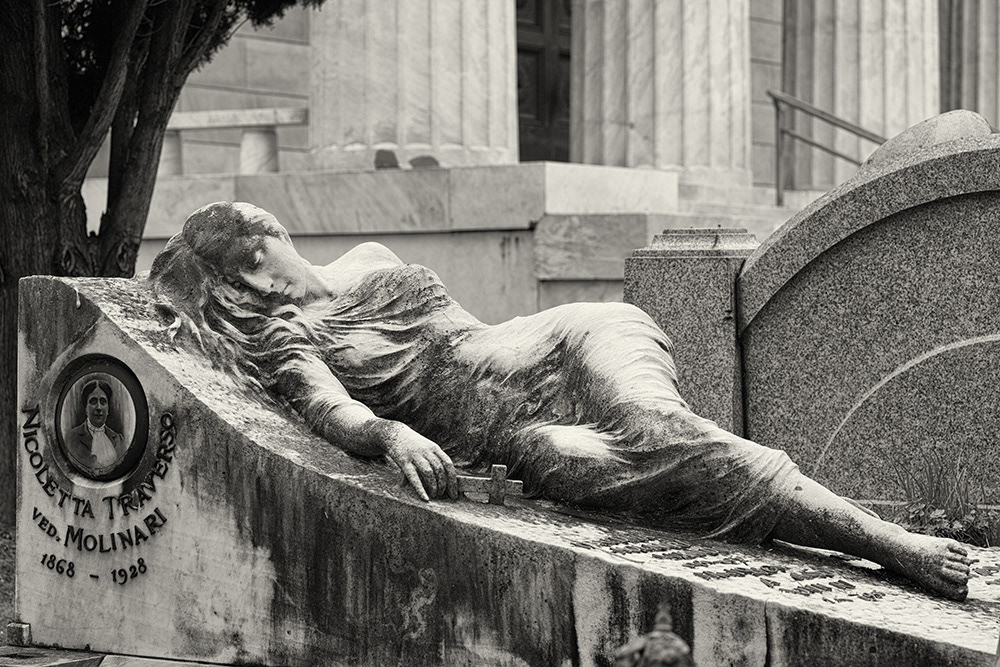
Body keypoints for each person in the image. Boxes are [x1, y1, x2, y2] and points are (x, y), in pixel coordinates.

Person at [149, 201, 975, 600]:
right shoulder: (298, 343)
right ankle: (856, 538)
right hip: (526, 434)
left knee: (667, 432)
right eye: (271, 238)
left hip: (561, 340)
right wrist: (392, 434)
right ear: (254, 271)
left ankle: (887, 543)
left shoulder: (366, 256)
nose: (288, 242)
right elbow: (331, 413)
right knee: (632, 472)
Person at [67, 379, 127, 469]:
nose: (99, 407)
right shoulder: (71, 438)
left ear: (108, 409)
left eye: (103, 402)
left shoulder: (119, 440)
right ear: (86, 408)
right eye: (93, 401)